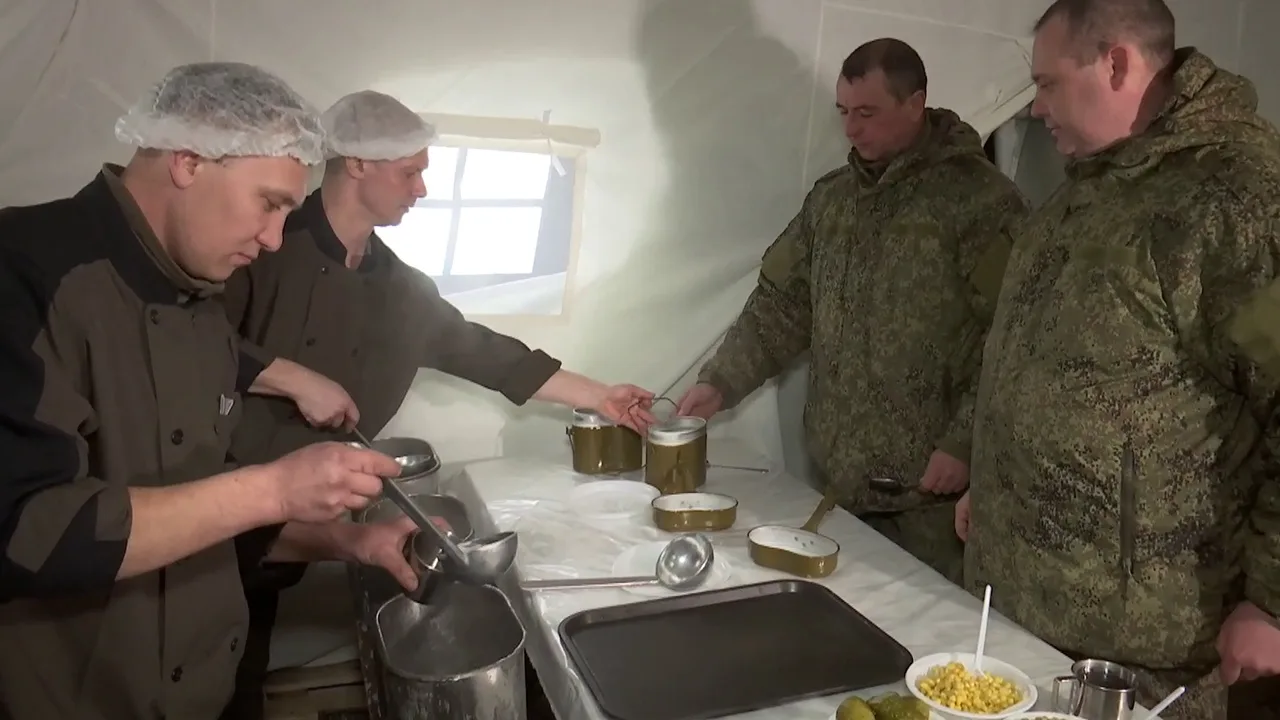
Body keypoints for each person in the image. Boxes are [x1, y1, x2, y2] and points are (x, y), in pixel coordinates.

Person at [0, 62, 426, 720]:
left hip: (210, 690)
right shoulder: (26, 269)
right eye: (269, 204)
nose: (275, 239)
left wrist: (348, 544)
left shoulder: (202, 305)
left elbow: (204, 510)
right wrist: (274, 488)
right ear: (189, 160)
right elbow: (26, 531)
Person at [218, 89, 657, 717]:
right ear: (356, 164)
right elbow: (190, 343)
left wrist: (602, 396)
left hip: (292, 529)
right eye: (410, 172)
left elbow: (487, 353)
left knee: (240, 669)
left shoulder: (396, 286)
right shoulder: (262, 246)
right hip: (217, 508)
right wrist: (291, 377)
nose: (422, 189)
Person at [957, 2, 1280, 718]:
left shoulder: (1236, 199)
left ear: (1116, 64)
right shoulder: (1089, 188)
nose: (1035, 107)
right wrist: (995, 477)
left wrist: (1272, 602)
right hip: (1026, 617)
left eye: (1048, 83)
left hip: (1144, 655)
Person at [674, 38, 1027, 584]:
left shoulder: (980, 203)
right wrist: (720, 383)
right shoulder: (832, 201)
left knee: (926, 627)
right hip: (841, 489)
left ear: (915, 103)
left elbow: (1014, 336)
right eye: (843, 112)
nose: (851, 129)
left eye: (867, 112)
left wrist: (964, 443)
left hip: (933, 505)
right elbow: (782, 306)